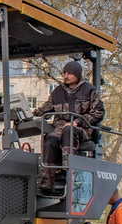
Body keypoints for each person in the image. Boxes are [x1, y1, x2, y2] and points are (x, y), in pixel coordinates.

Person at [32, 60, 104, 193]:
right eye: (65, 73)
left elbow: (98, 113)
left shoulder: (90, 90)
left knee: (69, 130)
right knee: (50, 139)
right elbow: (45, 109)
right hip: (59, 129)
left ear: (77, 74)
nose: (66, 76)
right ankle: (47, 184)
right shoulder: (58, 92)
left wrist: (77, 122)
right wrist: (30, 114)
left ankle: (70, 174)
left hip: (83, 129)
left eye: (69, 73)